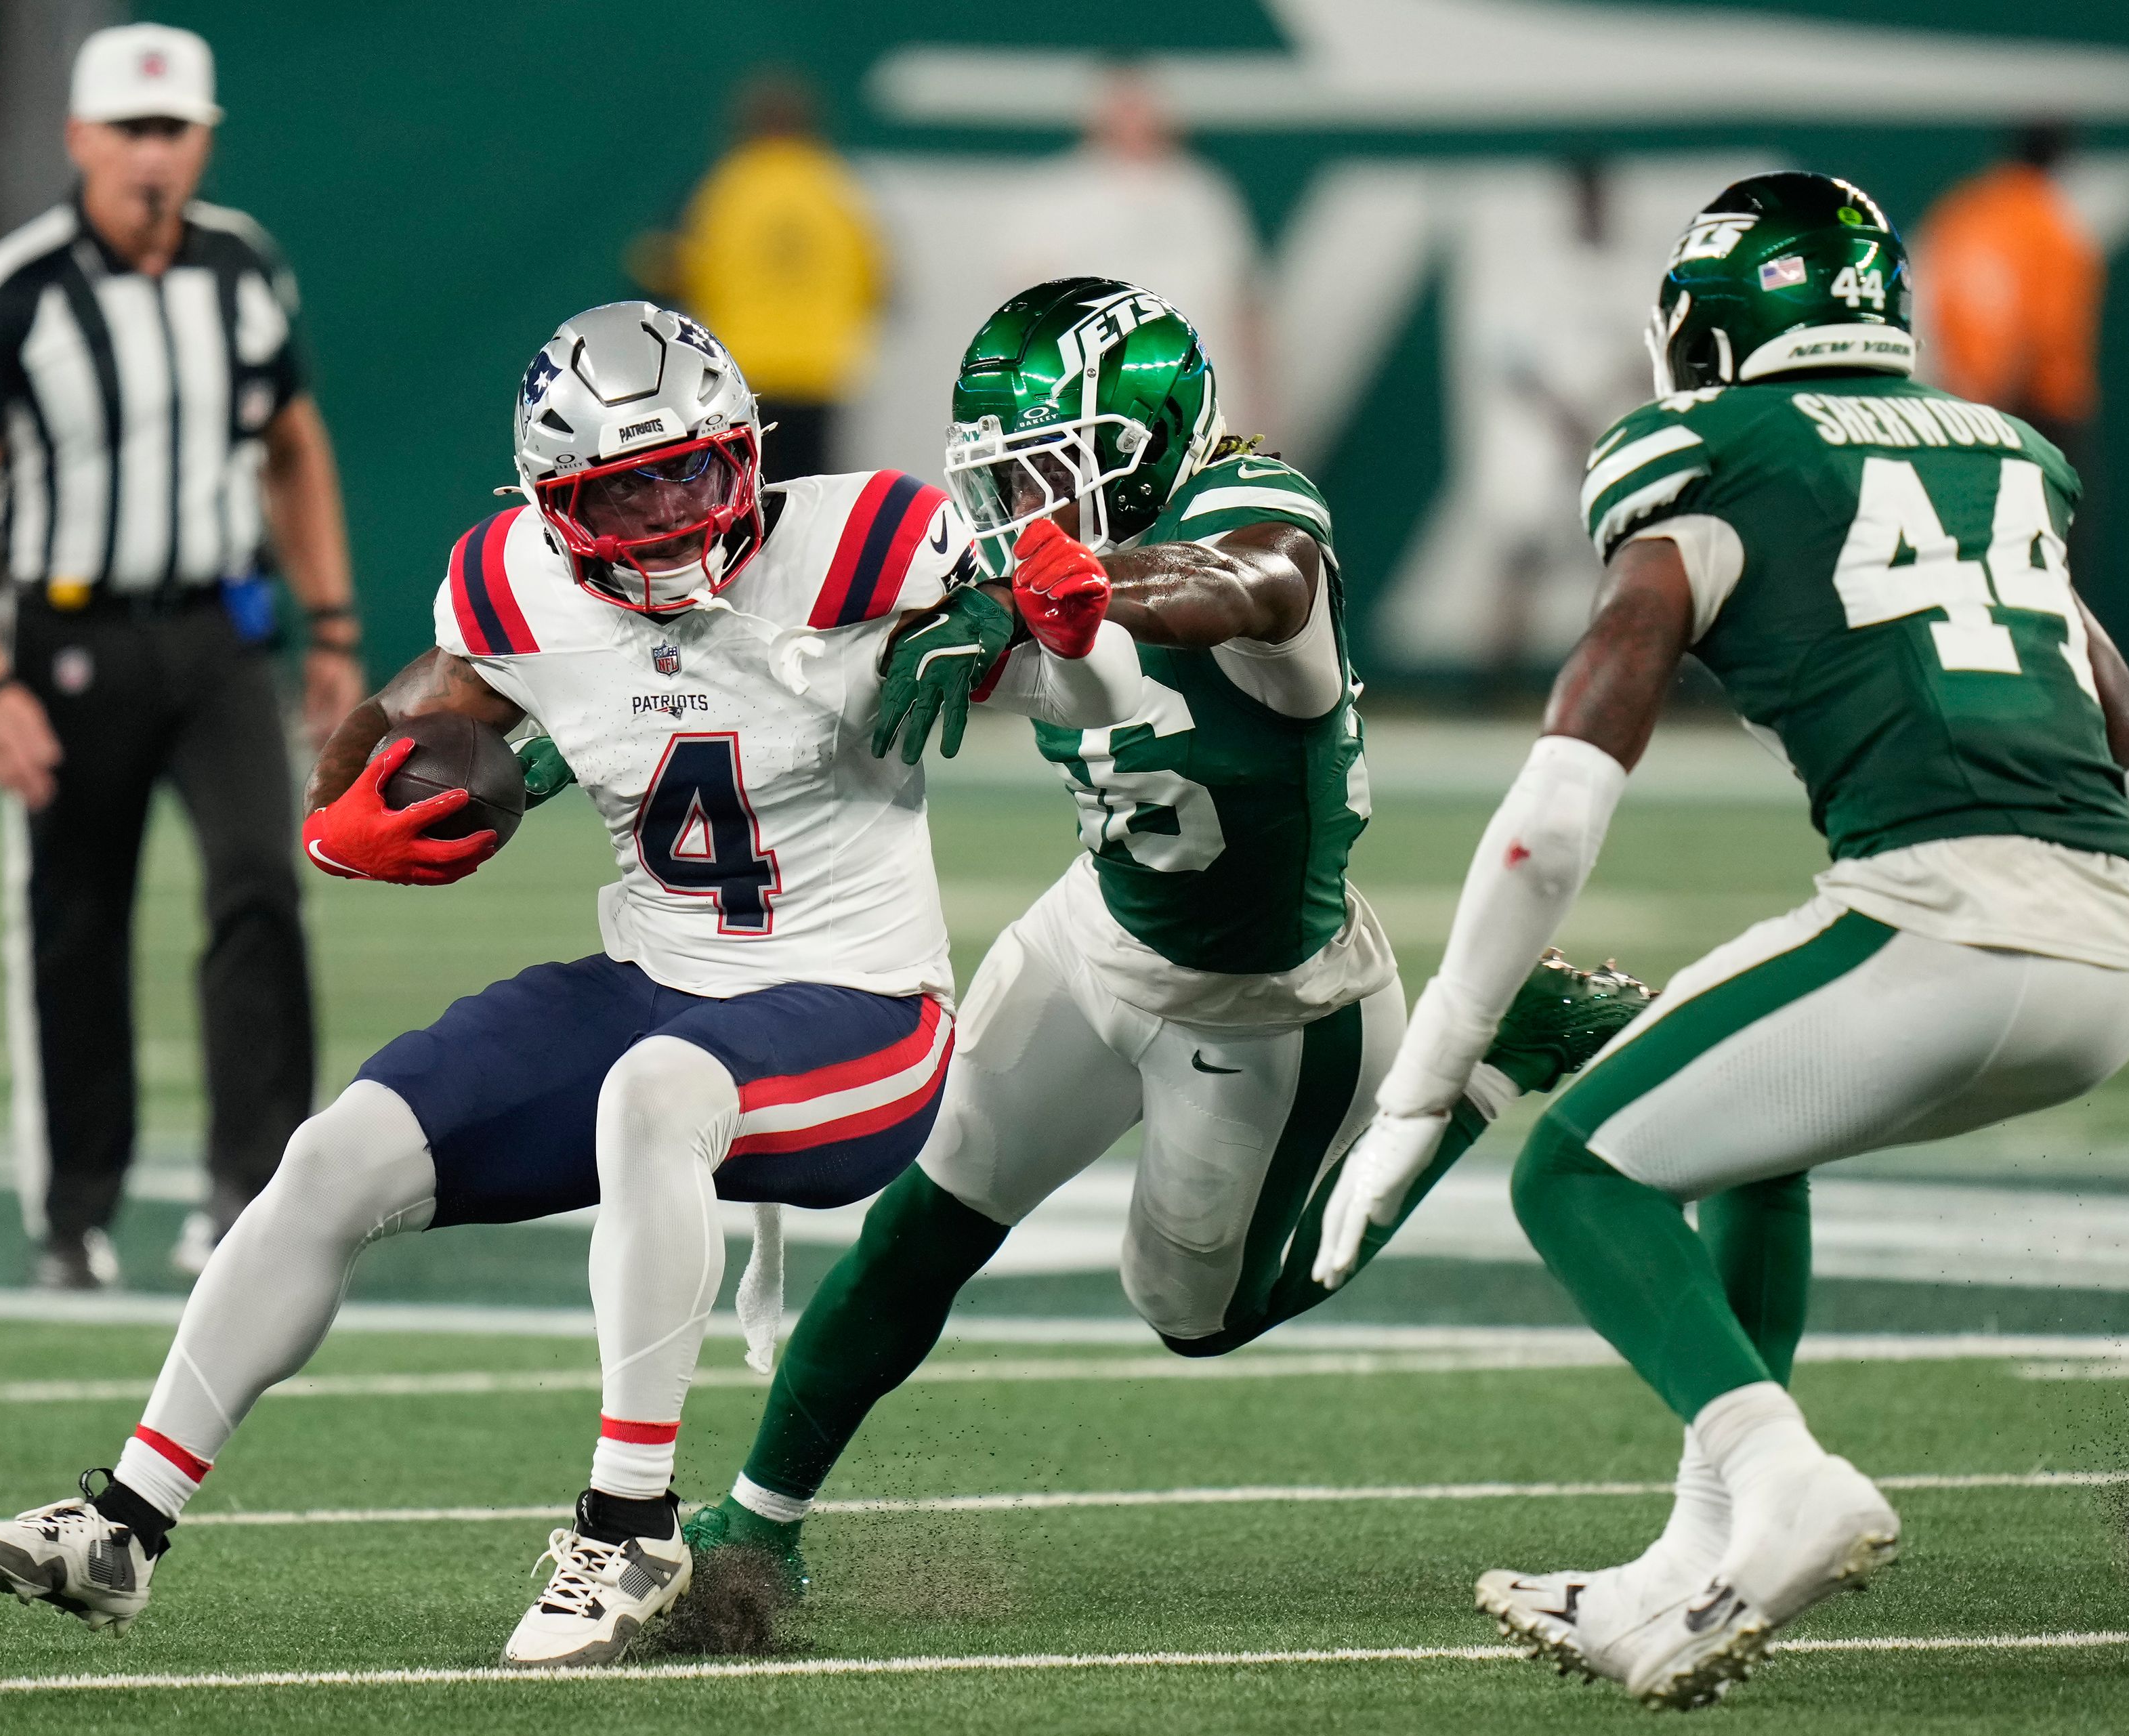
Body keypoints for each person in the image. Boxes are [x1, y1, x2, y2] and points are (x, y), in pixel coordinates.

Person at [0, 301, 1143, 1667]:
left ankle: (629, 1529)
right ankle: (125, 1523)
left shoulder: (868, 536)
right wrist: (361, 790)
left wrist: (1027, 610)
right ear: (551, 508)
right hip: (655, 980)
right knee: (337, 1154)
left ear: (745, 450)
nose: (667, 512)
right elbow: (408, 726)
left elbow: (1096, 686)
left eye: (689, 469)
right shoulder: (515, 584)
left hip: (862, 1010)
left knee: (654, 1091)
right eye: (617, 491)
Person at [1313, 173, 2129, 1710]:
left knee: (1575, 1165)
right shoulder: (2005, 459)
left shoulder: (1703, 457)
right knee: (1733, 1129)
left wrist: (1428, 1068)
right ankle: (1688, 1564)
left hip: (1948, 922)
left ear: (1710, 333)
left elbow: (1552, 819)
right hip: (2118, 942)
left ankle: (1780, 1471)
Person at [678, 278, 1650, 1586]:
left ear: (1137, 450)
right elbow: (827, 641)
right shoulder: (1033, 555)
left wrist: (1071, 593)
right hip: (1097, 929)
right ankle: (760, 1527)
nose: (1013, 513)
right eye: (1002, 482)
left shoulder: (1255, 514)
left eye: (1044, 475)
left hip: (1268, 1004)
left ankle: (1497, 1054)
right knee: (927, 1211)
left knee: (1196, 1312)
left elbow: (1245, 582)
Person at [0, 24, 364, 1288]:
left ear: (205, 139)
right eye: (129, 130)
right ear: (79, 139)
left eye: (173, 130)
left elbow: (295, 446)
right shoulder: (14, 288)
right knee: (75, 915)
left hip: (220, 629)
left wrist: (329, 623)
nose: (151, 156)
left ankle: (257, 1192)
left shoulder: (242, 267)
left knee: (259, 886)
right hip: (69, 635)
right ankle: (77, 1207)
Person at [645, 70, 884, 483]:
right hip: (820, 369)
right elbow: (876, 281)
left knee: (747, 488)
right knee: (818, 489)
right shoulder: (835, 186)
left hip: (745, 367)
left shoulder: (725, 188)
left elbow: (681, 272)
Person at [1006, 72, 1268, 436]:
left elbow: (1243, 309)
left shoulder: (1202, 193)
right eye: (1123, 109)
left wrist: (1262, 408)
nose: (1136, 122)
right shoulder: (1054, 196)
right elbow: (1028, 312)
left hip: (1201, 410)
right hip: (1090, 411)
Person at [1916, 125, 2102, 465]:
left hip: (1966, 398)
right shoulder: (2049, 224)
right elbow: (2047, 326)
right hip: (2041, 404)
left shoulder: (1967, 211)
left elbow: (1937, 300)